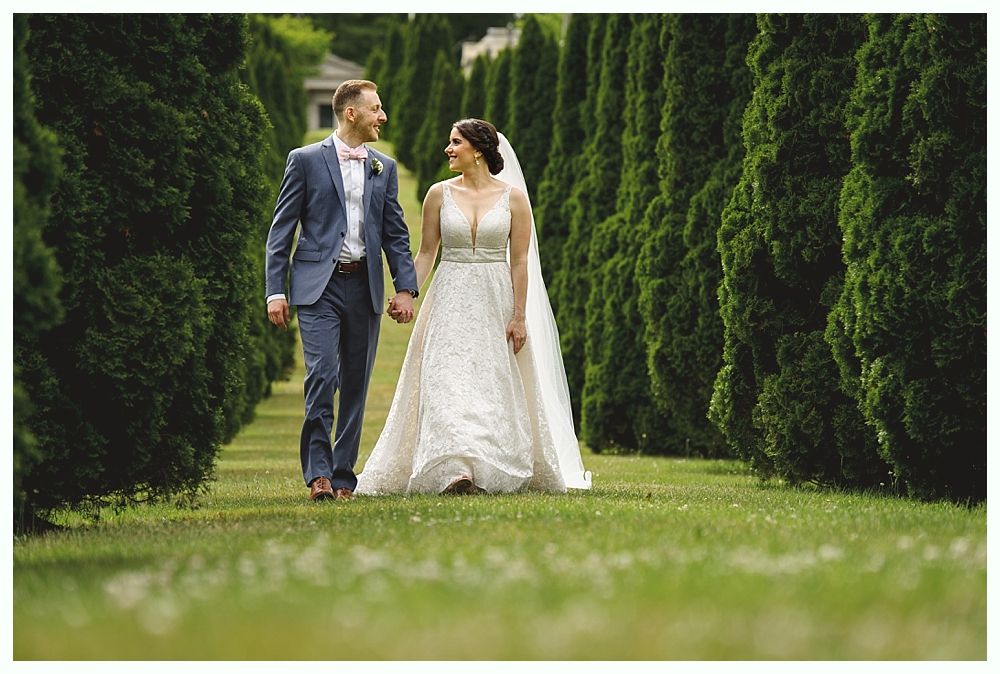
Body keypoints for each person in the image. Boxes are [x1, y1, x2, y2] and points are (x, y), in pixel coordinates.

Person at [356, 119, 592, 495]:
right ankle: (455, 472)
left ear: (478, 149)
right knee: (446, 379)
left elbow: (519, 262)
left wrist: (518, 316)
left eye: (455, 142)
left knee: (490, 384)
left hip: (495, 299)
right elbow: (427, 253)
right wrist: (406, 292)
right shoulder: (438, 194)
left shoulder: (514, 199)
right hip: (450, 296)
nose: (448, 149)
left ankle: (486, 465)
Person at [265, 79, 418, 502]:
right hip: (318, 287)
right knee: (322, 375)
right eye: (376, 109)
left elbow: (396, 235)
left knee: (355, 383)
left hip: (364, 285)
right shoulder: (305, 160)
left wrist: (405, 288)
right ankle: (317, 474)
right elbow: (281, 232)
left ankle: (343, 477)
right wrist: (274, 290)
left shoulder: (383, 167)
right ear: (352, 113)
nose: (382, 116)